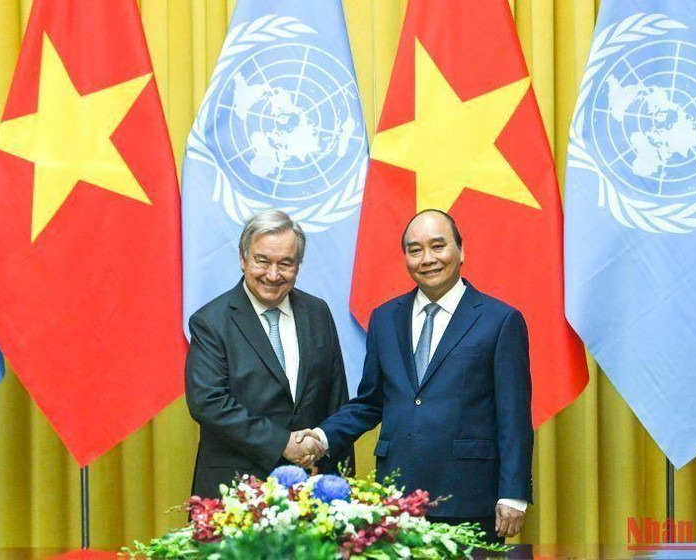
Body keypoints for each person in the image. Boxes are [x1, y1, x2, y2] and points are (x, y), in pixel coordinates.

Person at [309, 209, 533, 542]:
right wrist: (320, 437)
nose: (427, 259)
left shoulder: (499, 321)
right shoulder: (385, 318)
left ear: (461, 251)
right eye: (415, 250)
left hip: (468, 498)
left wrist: (513, 493)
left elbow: (513, 416)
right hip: (397, 498)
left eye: (438, 246)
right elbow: (371, 402)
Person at [185, 209, 347, 498]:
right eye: (262, 261)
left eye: (285, 263)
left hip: (314, 487)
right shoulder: (211, 321)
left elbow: (336, 397)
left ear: (299, 265)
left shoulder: (317, 312)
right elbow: (208, 402)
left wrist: (341, 479)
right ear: (243, 259)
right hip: (237, 490)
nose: (273, 275)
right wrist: (281, 442)